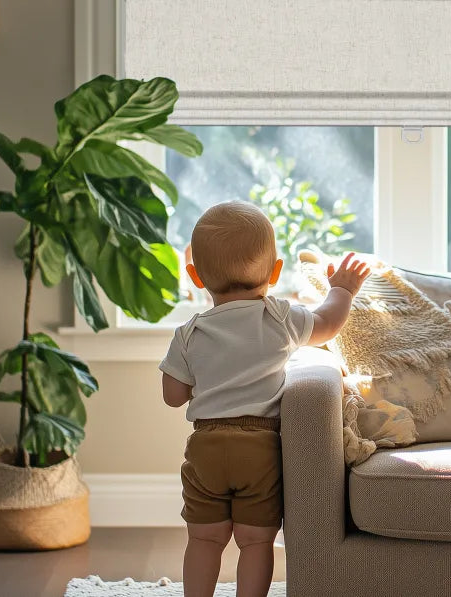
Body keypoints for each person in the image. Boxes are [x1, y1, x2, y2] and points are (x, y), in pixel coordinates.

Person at [159, 200, 370, 597]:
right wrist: (342, 289)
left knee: (205, 539)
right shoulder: (278, 317)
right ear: (274, 272)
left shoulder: (189, 332)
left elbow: (173, 396)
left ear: (195, 276)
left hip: (206, 445)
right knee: (256, 542)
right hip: (260, 448)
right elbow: (327, 324)